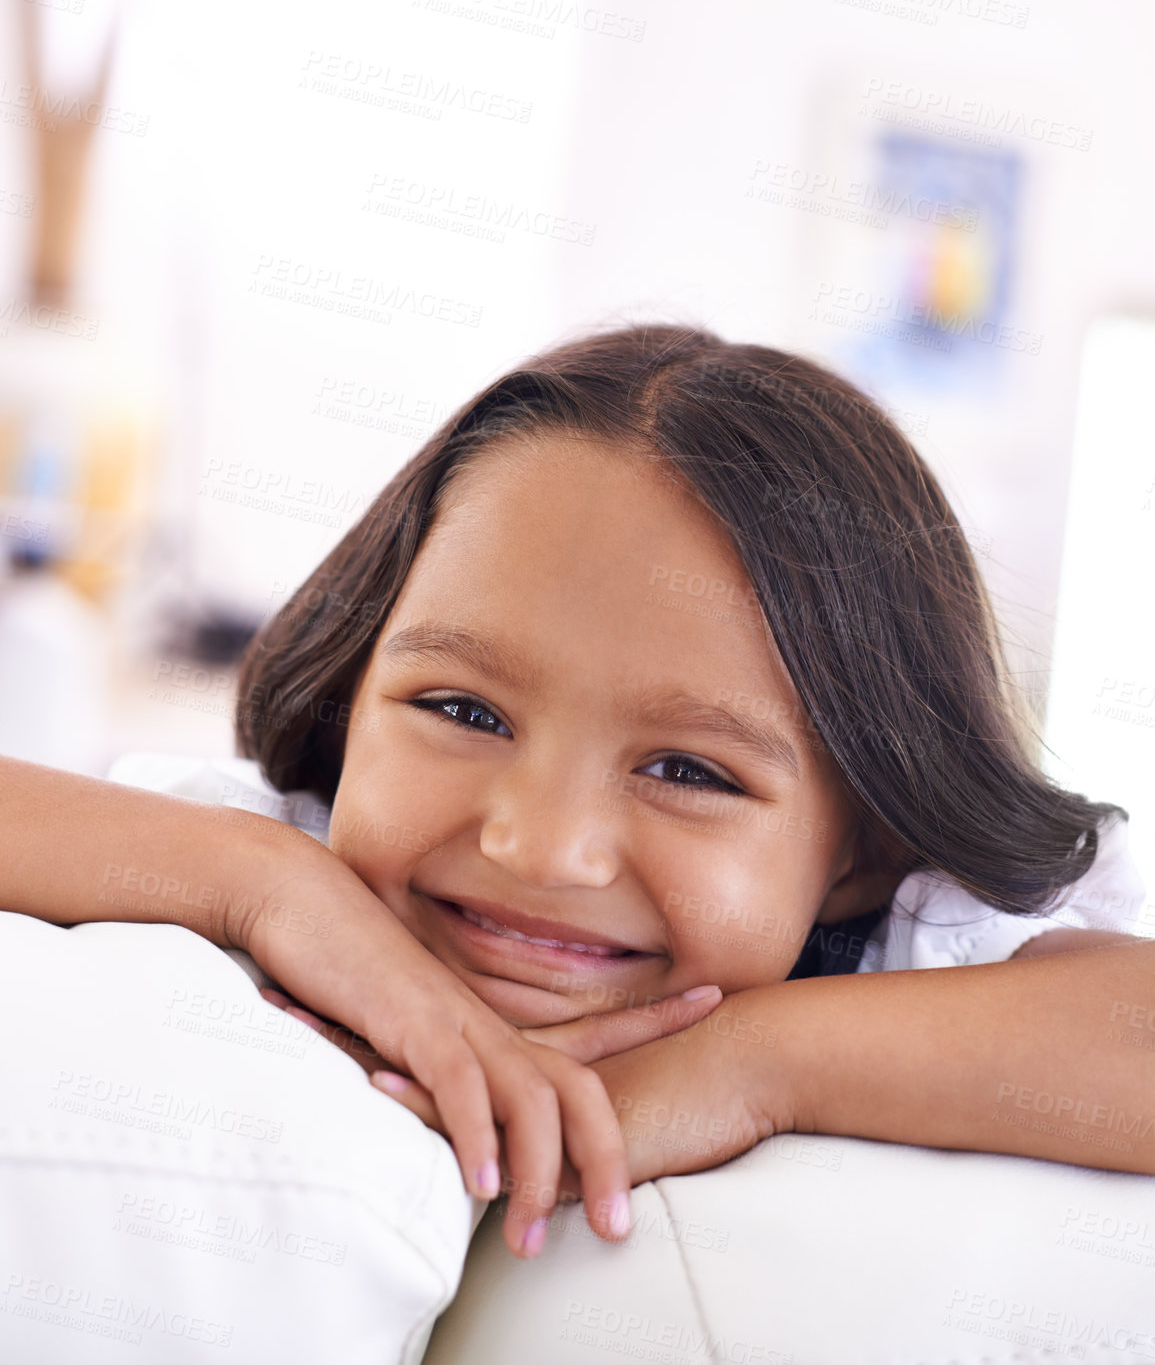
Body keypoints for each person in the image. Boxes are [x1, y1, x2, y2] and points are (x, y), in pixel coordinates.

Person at [2, 322, 1150, 1269]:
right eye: (461, 711)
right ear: (353, 696)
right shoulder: (288, 860)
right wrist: (267, 887)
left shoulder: (902, 956)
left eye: (690, 771)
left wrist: (754, 1061)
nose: (540, 848)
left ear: (865, 846)